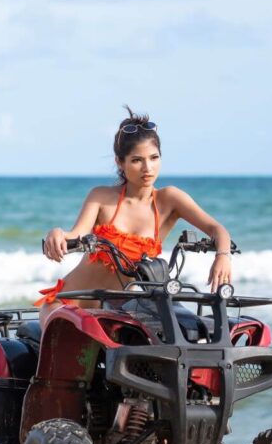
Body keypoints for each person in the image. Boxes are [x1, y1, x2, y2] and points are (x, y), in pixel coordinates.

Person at [35, 106, 233, 326]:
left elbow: (217, 229)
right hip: (68, 305)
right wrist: (57, 234)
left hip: (114, 312)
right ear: (121, 162)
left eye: (154, 158)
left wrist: (222, 256)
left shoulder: (169, 199)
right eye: (137, 160)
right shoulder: (101, 196)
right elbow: (76, 233)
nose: (147, 168)